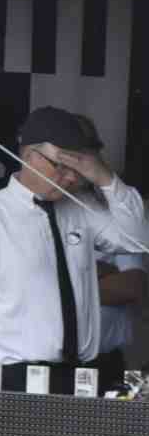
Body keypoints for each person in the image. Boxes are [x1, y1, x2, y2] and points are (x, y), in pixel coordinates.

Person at [0, 106, 149, 393]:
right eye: (61, 166)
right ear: (29, 156)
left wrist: (103, 177)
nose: (72, 178)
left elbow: (137, 240)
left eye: (78, 169)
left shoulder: (81, 209)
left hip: (83, 377)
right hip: (14, 380)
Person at [74, 114, 145, 394]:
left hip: (104, 362)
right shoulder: (28, 212)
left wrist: (62, 281)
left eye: (85, 152)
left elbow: (133, 285)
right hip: (39, 364)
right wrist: (99, 272)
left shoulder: (117, 212)